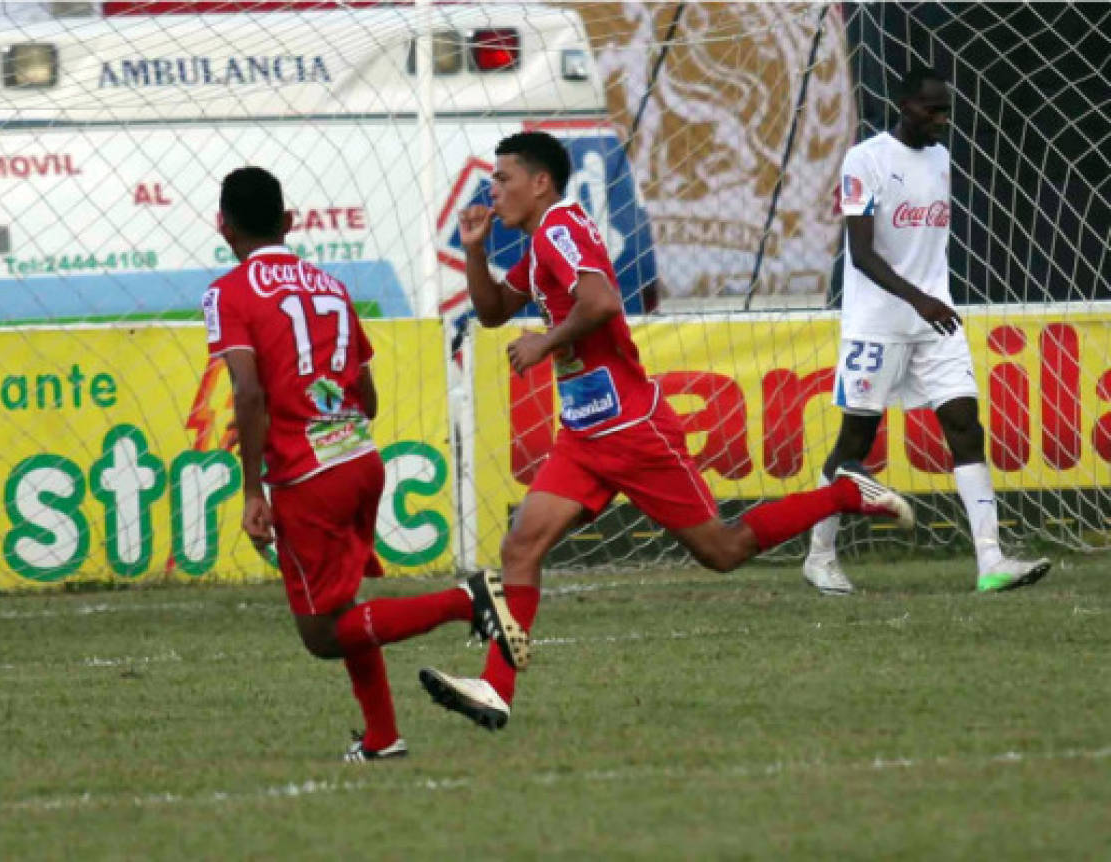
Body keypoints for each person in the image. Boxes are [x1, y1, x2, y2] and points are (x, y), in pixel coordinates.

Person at [417, 131, 916, 731]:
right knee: (520, 545)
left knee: (722, 551)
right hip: (584, 431)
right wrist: (475, 249)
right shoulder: (541, 239)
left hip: (630, 427)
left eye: (503, 178)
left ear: (539, 182)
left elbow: (602, 302)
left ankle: (845, 492)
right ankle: (496, 689)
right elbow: (495, 310)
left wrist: (545, 342)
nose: (493, 189)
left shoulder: (560, 230)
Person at [203, 167, 526, 762]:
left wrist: (253, 489)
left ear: (222, 225)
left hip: (307, 476)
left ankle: (467, 601)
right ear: (289, 222)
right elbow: (367, 398)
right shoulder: (329, 286)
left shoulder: (227, 292)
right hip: (359, 461)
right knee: (344, 608)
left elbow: (247, 391)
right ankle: (381, 738)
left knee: (322, 635)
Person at [802, 67, 1051, 596]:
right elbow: (863, 253)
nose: (940, 121)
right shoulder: (864, 160)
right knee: (856, 441)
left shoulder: (940, 159)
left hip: (936, 321)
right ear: (904, 104)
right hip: (877, 324)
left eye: (946, 112)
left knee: (965, 425)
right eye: (931, 110)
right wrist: (919, 299)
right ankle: (819, 556)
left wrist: (929, 302)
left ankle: (991, 560)